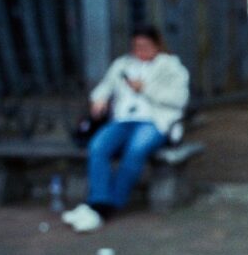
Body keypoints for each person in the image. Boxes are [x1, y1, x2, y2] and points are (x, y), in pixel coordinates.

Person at [61, 25, 189, 233]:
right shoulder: (123, 64)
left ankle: (108, 207)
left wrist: (146, 89)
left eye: (145, 46)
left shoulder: (171, 67)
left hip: (155, 120)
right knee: (98, 146)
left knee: (136, 149)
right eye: (136, 46)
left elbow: (179, 100)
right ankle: (99, 201)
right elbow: (104, 86)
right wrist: (99, 99)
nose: (140, 51)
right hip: (122, 120)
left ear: (157, 45)